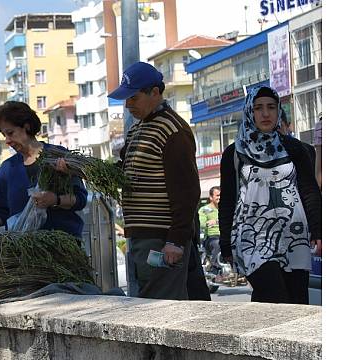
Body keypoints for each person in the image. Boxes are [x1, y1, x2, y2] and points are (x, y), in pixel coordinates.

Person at [218, 85, 322, 304]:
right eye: (258, 108)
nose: (265, 114)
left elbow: (309, 190)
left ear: (278, 111)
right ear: (250, 112)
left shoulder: (294, 149)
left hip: (293, 235)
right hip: (252, 237)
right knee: (273, 294)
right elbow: (227, 200)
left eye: (271, 107)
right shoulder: (234, 153)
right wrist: (226, 242)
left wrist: (318, 230)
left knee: (296, 303)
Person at [107, 61, 200, 300]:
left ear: (155, 93)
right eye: (126, 99)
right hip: (142, 237)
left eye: (134, 98)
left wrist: (176, 241)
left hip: (162, 239)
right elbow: (123, 173)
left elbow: (187, 191)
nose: (128, 105)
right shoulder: (139, 129)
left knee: (162, 309)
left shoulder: (173, 130)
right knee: (149, 304)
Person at [0, 101, 87, 237]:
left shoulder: (59, 157)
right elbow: (2, 213)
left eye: (10, 133)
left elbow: (80, 199)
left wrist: (55, 200)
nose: (7, 140)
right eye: (4, 135)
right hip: (22, 252)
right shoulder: (6, 171)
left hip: (63, 247)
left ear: (26, 127)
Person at [198, 186, 222, 278]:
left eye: (221, 195)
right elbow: (201, 223)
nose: (219, 197)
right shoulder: (204, 210)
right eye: (217, 195)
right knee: (218, 244)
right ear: (211, 197)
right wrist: (208, 223)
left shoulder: (225, 209)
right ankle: (214, 268)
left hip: (225, 236)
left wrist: (216, 221)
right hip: (211, 237)